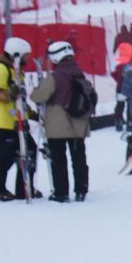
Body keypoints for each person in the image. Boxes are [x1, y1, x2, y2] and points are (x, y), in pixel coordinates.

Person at [30, 40, 91, 202]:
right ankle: (81, 190)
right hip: (79, 123)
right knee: (79, 158)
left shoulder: (55, 76)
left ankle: (61, 192)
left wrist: (35, 90)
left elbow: (39, 96)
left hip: (58, 124)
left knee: (58, 159)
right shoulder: (80, 74)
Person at [0, 36, 39, 201]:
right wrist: (10, 94)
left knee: (29, 152)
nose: (27, 58)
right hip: (2, 122)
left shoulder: (16, 71)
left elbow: (20, 99)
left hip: (16, 121)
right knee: (5, 156)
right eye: (25, 55)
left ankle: (24, 188)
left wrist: (32, 114)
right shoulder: (0, 69)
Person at [111, 42, 132, 131]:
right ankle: (130, 123)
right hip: (131, 88)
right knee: (130, 106)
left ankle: (118, 121)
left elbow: (113, 74)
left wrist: (119, 80)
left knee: (120, 105)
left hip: (120, 88)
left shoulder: (116, 63)